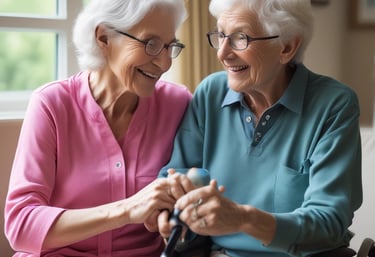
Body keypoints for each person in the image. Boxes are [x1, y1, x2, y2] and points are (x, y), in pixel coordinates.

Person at [157, 0, 362, 256]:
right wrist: (170, 209)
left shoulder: (333, 105)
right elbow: (175, 175)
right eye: (221, 35)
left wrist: (243, 219)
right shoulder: (211, 93)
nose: (223, 53)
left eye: (240, 38)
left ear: (287, 47)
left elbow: (329, 221)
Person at [4, 0, 191, 256]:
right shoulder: (52, 104)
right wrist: (126, 210)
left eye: (170, 46)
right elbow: (21, 225)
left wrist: (172, 216)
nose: (164, 63)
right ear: (104, 37)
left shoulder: (178, 104)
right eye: (151, 44)